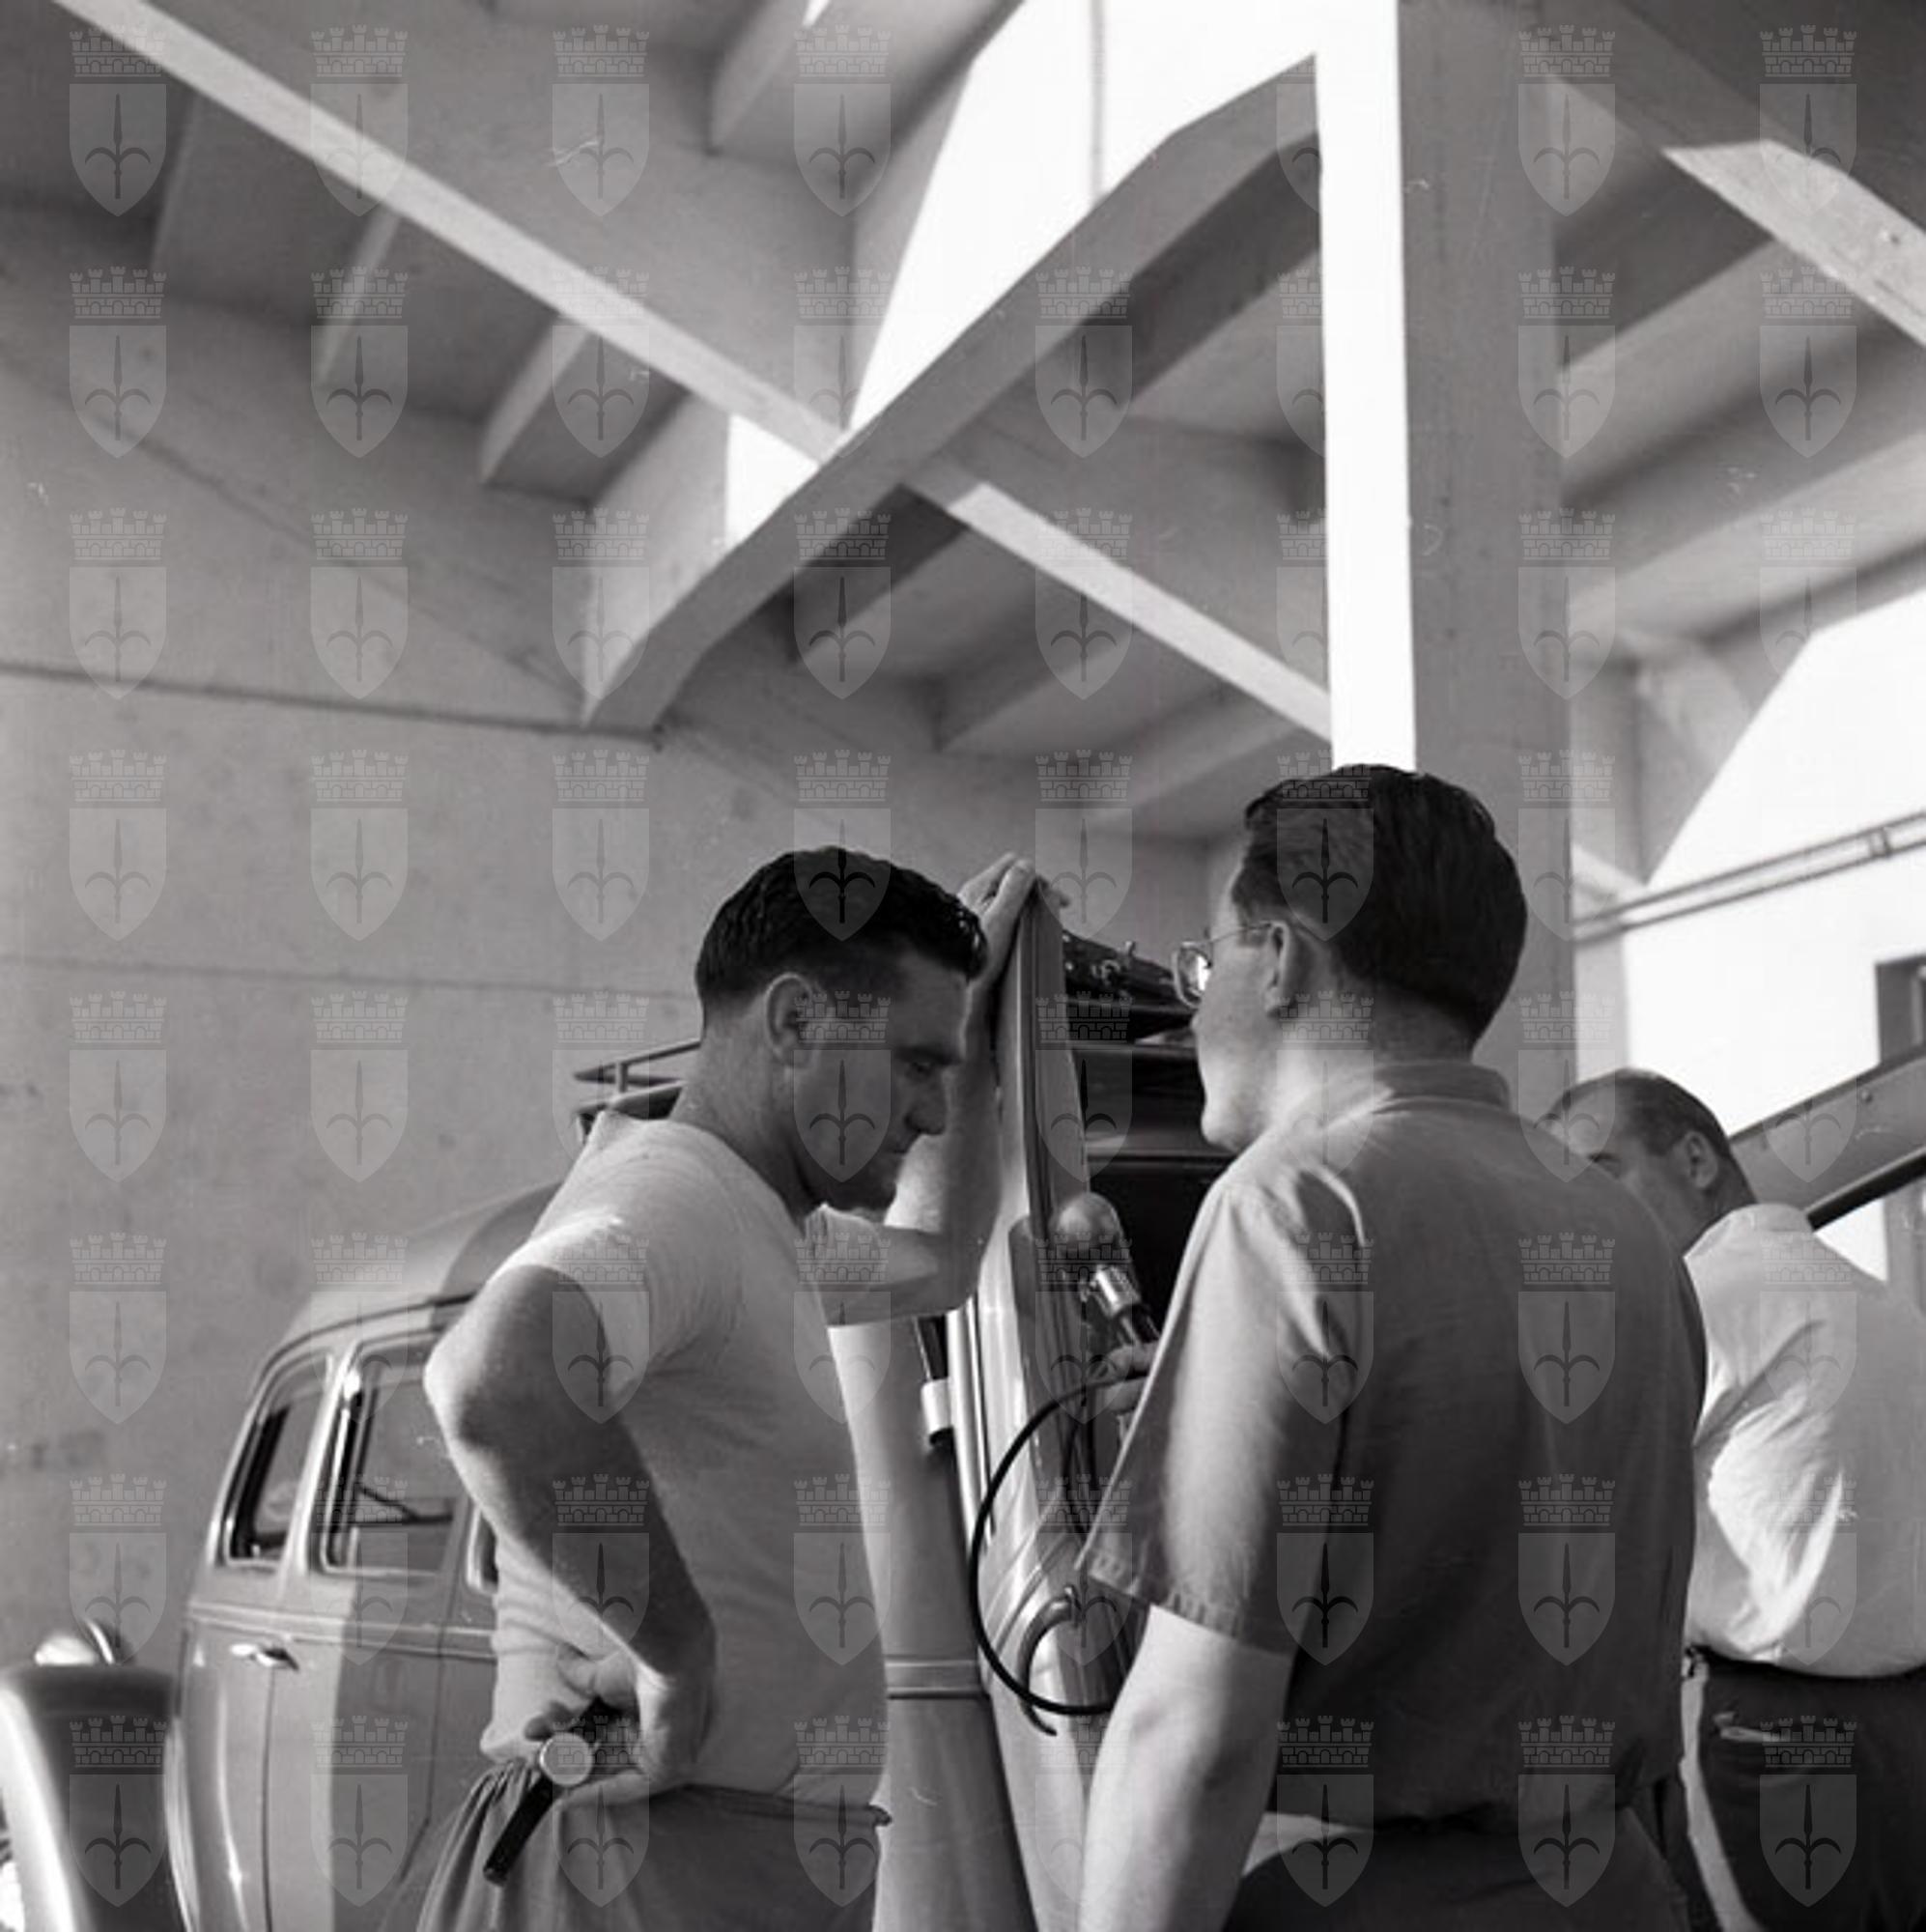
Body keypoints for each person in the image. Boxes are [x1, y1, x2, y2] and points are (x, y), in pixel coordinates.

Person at [1073, 765, 1706, 1931]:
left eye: (1203, 964)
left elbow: (1194, 1735)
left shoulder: (1291, 1203)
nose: (1193, 1005)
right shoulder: (1624, 1230)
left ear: (1280, 958)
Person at [415, 847, 1036, 1929]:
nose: (934, 1112)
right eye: (911, 1065)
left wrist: (972, 1034)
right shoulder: (677, 1200)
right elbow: (498, 1383)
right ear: (794, 1021)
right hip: (642, 1858)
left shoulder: (762, 1225)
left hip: (711, 1856)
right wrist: (678, 1659)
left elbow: (940, 1259)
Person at [1543, 1069, 1926, 1930]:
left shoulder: (1692, 1300)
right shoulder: (1878, 1300)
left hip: (1766, 1742)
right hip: (1903, 1742)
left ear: (1694, 1158)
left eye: (1603, 1173)